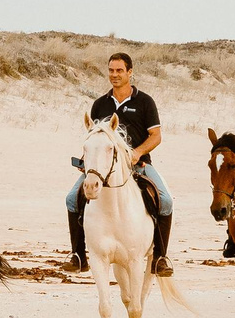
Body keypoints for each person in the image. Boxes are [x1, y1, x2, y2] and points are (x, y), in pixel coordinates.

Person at [66, 50, 174, 276]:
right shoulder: (100, 105)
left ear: (130, 72)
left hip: (138, 164)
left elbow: (156, 136)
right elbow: (94, 137)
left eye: (119, 71)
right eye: (111, 70)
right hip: (103, 167)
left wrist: (137, 152)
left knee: (165, 201)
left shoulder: (145, 102)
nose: (114, 75)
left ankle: (160, 258)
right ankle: (78, 255)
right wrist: (87, 160)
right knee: (72, 199)